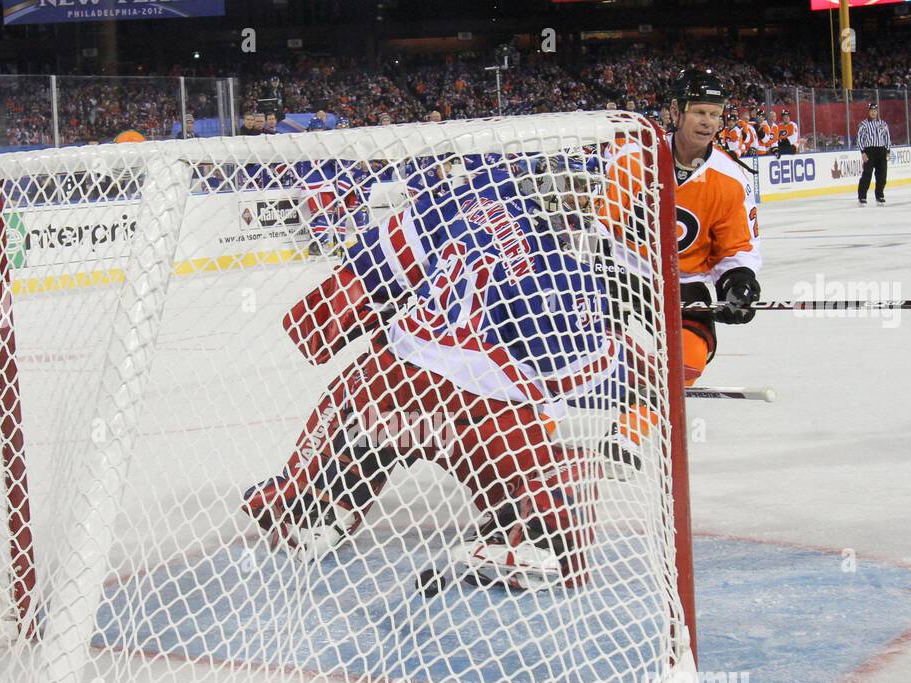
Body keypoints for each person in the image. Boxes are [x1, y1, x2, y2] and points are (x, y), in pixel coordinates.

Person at [241, 151, 626, 590]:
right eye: (574, 188)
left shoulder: (478, 192)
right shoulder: (571, 272)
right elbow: (574, 377)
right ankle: (526, 536)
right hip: (484, 415)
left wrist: (327, 319)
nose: (579, 199)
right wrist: (636, 368)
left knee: (356, 417)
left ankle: (316, 506)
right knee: (557, 478)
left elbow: (384, 253)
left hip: (389, 391)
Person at [635, 67, 761, 387]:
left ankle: (628, 433)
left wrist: (738, 284)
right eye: (700, 112)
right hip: (627, 283)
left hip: (687, 288)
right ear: (676, 111)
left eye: (715, 114)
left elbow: (736, 247)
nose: (708, 122)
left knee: (687, 361)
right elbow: (605, 227)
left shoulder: (731, 179)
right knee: (601, 363)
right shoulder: (633, 159)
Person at [856, 103, 891, 205]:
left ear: (877, 112)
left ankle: (879, 196)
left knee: (882, 175)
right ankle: (862, 197)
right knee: (867, 175)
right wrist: (863, 152)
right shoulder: (864, 124)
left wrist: (888, 151)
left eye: (875, 111)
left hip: (881, 151)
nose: (873, 112)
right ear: (868, 111)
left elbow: (887, 137)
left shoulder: (883, 124)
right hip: (869, 151)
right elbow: (859, 139)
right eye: (871, 111)